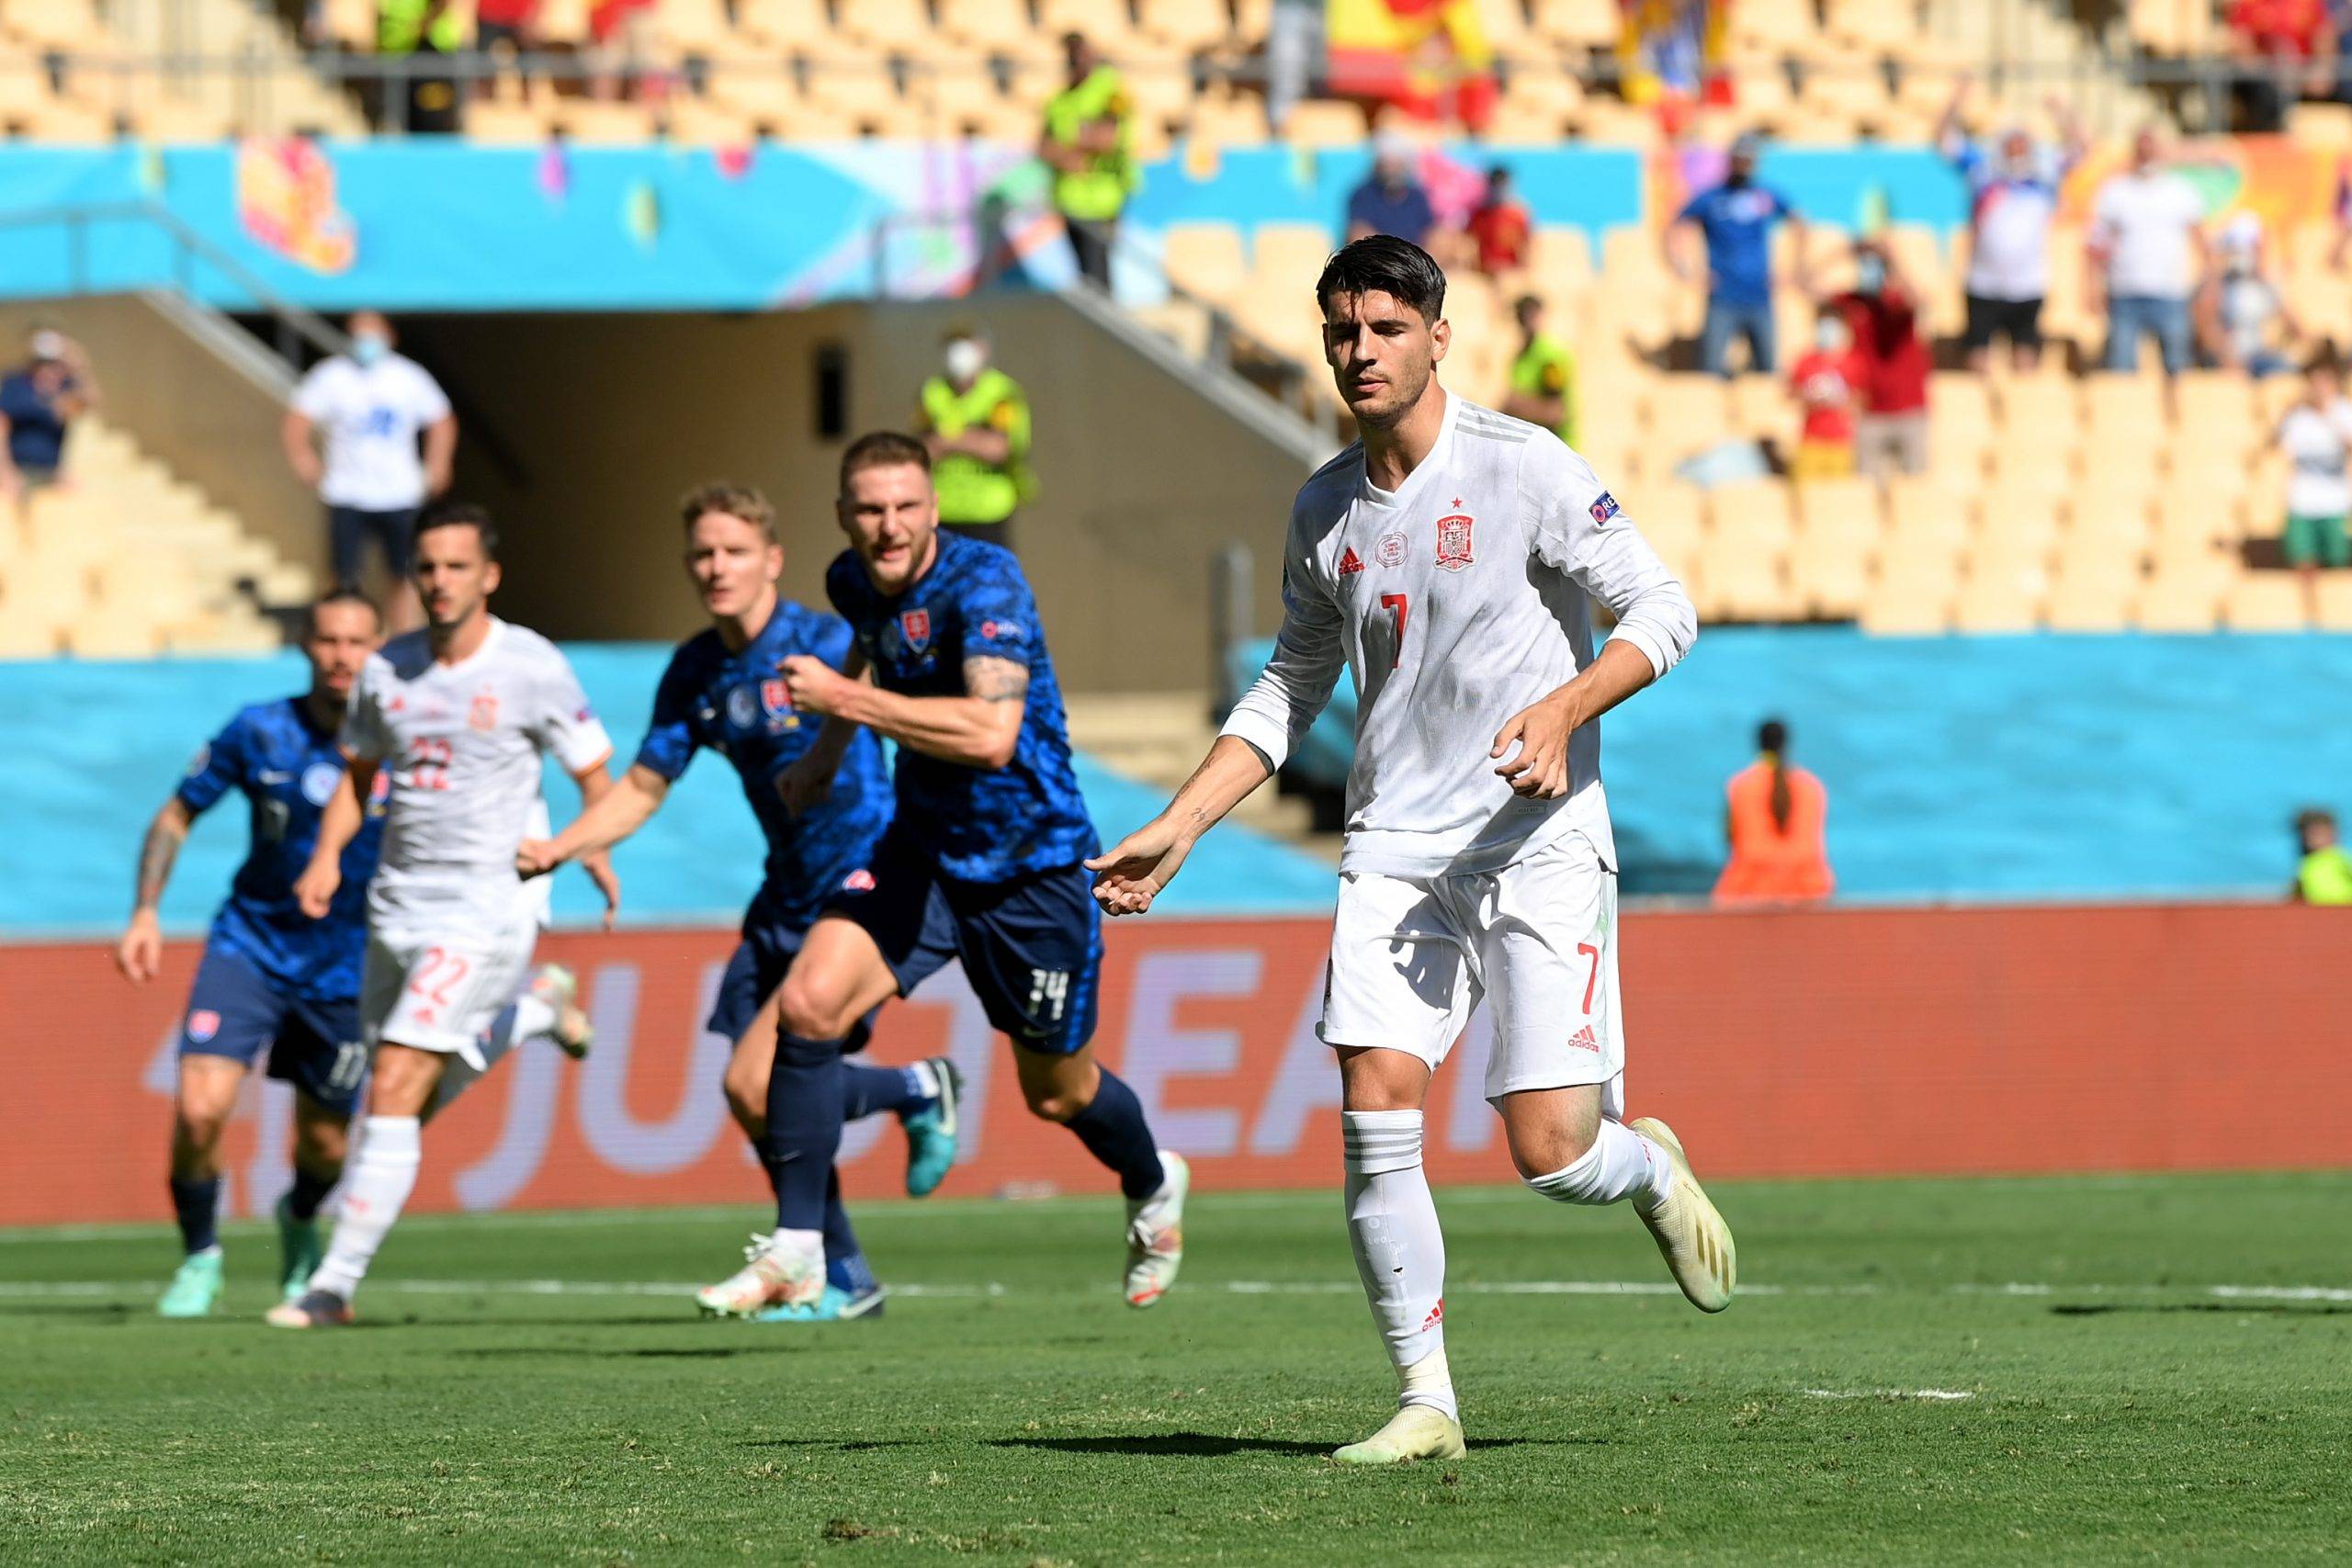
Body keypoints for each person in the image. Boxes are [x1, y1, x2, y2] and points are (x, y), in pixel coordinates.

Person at [1088, 236, 1724, 1466]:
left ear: (1439, 334)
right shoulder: (1324, 505)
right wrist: (1181, 820)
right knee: (1375, 1103)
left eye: (1384, 327)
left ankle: (1643, 1167)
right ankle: (1427, 1399)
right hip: (1392, 851)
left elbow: (1666, 607)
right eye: (1341, 331)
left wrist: (1566, 707)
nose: (1359, 351)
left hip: (1534, 842)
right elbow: (1289, 681)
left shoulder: (1524, 467)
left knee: (1550, 1151)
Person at [741, 432, 1189, 1317]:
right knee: (806, 1006)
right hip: (922, 851)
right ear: (843, 516)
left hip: (1030, 866)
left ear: (935, 507)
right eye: (869, 509)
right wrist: (827, 755)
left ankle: (1152, 1183)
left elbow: (990, 736)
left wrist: (842, 704)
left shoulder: (987, 585)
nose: (889, 525)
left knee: (1058, 1095)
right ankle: (801, 1249)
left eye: (907, 505)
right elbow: (872, 646)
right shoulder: (850, 580)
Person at [517, 483, 960, 1323]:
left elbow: (918, 715)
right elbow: (645, 786)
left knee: (757, 1080)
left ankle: (905, 1106)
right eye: (702, 554)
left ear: (772, 560)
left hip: (861, 885)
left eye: (733, 551)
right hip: (782, 893)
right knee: (749, 1095)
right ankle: (851, 1267)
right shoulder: (697, 669)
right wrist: (562, 846)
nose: (716, 568)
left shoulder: (830, 640)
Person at [116, 591, 587, 1318]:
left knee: (330, 1146)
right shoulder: (260, 730)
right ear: (306, 646)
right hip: (252, 942)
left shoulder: (412, 729)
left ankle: (300, 1215)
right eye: (328, 640)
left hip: (352, 959)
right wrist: (146, 909)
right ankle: (200, 1257)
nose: (342, 656)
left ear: (380, 651)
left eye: (357, 642)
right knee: (201, 1107)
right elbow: (178, 810)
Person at [268, 502, 619, 1328]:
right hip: (395, 903)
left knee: (392, 1079)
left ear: (488, 575)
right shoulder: (386, 670)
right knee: (406, 1099)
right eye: (427, 567)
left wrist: (584, 846)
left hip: (488, 903)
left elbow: (599, 776)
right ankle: (535, 1011)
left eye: (457, 566)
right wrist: (325, 856)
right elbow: (358, 778)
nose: (440, 581)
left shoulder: (531, 665)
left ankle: (332, 1287)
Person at [283, 312, 456, 632]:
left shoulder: (408, 376)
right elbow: (298, 418)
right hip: (347, 493)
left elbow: (442, 420)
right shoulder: (332, 375)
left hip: (399, 494)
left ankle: (405, 636)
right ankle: (348, 635)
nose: (365, 342)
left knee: (405, 573)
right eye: (358, 334)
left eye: (372, 333)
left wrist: (438, 464)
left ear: (389, 336)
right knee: (345, 574)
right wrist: (303, 458)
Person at [1939, 78, 2085, 374]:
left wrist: (2063, 112)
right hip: (1984, 282)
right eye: (2012, 144)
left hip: (2028, 284)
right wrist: (1956, 100)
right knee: (1978, 358)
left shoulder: (2044, 174)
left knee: (2026, 358)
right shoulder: (1983, 172)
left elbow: (2082, 148)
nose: (2017, 150)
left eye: (2023, 144)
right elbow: (1944, 140)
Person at [1667, 131, 1805, 378]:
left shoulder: (1764, 194)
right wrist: (1685, 271)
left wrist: (1794, 270)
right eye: (1740, 158)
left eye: (1749, 159)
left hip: (1759, 296)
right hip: (1723, 297)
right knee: (1711, 370)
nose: (1745, 164)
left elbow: (1799, 224)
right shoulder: (1712, 198)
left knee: (1767, 372)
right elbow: (1674, 228)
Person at [1804, 238, 1931, 480]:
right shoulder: (1852, 302)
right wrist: (1842, 252)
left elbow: (1919, 300)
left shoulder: (1897, 301)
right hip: (1870, 413)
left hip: (1910, 411)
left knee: (1916, 493)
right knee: (1865, 491)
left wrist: (1893, 260)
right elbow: (1803, 284)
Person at [2089, 128, 2209, 379]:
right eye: (2142, 150)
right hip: (2125, 291)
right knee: (2121, 369)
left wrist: (2206, 284)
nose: (2147, 155)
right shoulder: (2115, 191)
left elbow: (2201, 241)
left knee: (2178, 367)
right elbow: (2097, 245)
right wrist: (2093, 285)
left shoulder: (2181, 191)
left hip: (2171, 291)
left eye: (2151, 149)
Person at [917, 329, 1035, 552]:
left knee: (989, 581)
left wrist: (948, 439)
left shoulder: (1001, 392)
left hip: (989, 509)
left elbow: (997, 448)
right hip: (943, 508)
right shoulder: (931, 391)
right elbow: (922, 449)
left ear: (983, 350)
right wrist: (973, 438)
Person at [1039, 32, 1136, 289]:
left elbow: (1106, 137)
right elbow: (1042, 147)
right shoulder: (1058, 101)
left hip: (1103, 199)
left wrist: (1067, 148)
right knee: (1084, 278)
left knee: (1099, 277)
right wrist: (1077, 146)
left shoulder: (1111, 89)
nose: (1075, 62)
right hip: (1070, 200)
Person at [1712, 718, 1832, 905]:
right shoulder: (1812, 787)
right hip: (1807, 891)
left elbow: (1730, 837)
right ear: (1786, 743)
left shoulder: (1741, 786)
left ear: (1758, 743)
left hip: (1748, 890)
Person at [2272, 349, 2352, 617]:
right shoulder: (2297, 417)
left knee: (2339, 562)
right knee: (2304, 562)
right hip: (2303, 500)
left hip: (2336, 500)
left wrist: (2331, 417)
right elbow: (2274, 447)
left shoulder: (2344, 412)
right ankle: (2307, 616)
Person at [2197, 214, 2305, 378]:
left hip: (2257, 356)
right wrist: (2228, 359)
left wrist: (2269, 283)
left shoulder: (2265, 285)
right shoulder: (2215, 286)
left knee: (2288, 372)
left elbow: (2297, 328)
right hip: (2225, 360)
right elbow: (2206, 328)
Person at [0, 327, 99, 501]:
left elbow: (89, 402)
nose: (49, 369)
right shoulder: (16, 386)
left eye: (55, 363)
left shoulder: (65, 389)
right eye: (43, 363)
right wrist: (6, 472)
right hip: (19, 470)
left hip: (51, 472)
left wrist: (80, 366)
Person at [1787, 313, 1860, 481]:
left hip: (1840, 441)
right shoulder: (1805, 360)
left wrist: (1839, 399)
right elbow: (1790, 393)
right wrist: (1810, 395)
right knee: (1805, 490)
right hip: (1811, 439)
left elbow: (1861, 399)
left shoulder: (1852, 362)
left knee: (1838, 494)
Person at [1501, 294, 1577, 447]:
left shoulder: (1550, 358)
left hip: (1557, 447)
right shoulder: (1520, 357)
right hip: (1532, 446)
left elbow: (1556, 412)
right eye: (1521, 316)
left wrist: (1516, 407)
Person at [1346, 132, 1438, 250]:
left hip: (1414, 259)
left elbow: (1431, 232)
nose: (1391, 171)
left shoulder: (1417, 197)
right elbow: (1358, 233)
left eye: (1396, 165)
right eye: (1386, 165)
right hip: (1379, 259)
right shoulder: (1363, 195)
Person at [1465, 164, 1531, 276]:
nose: (1498, 191)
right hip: (1484, 272)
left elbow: (1526, 248)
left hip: (1509, 272)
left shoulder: (1517, 216)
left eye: (1502, 187)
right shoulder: (1479, 215)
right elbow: (1469, 245)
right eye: (1495, 186)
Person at [2290, 807, 2352, 903]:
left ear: (2334, 834)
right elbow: (2297, 891)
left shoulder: (2341, 858)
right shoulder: (2306, 863)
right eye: (2312, 834)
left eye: (2320, 834)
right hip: (2318, 913)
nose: (2317, 839)